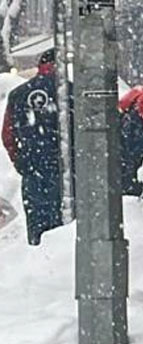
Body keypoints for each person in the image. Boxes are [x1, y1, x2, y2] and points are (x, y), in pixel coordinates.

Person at [3, 49, 70, 246]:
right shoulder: (70, 92)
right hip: (66, 173)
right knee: (66, 229)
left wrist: (22, 162)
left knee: (38, 229)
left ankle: (40, 261)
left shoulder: (18, 94)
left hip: (34, 170)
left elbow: (7, 135)